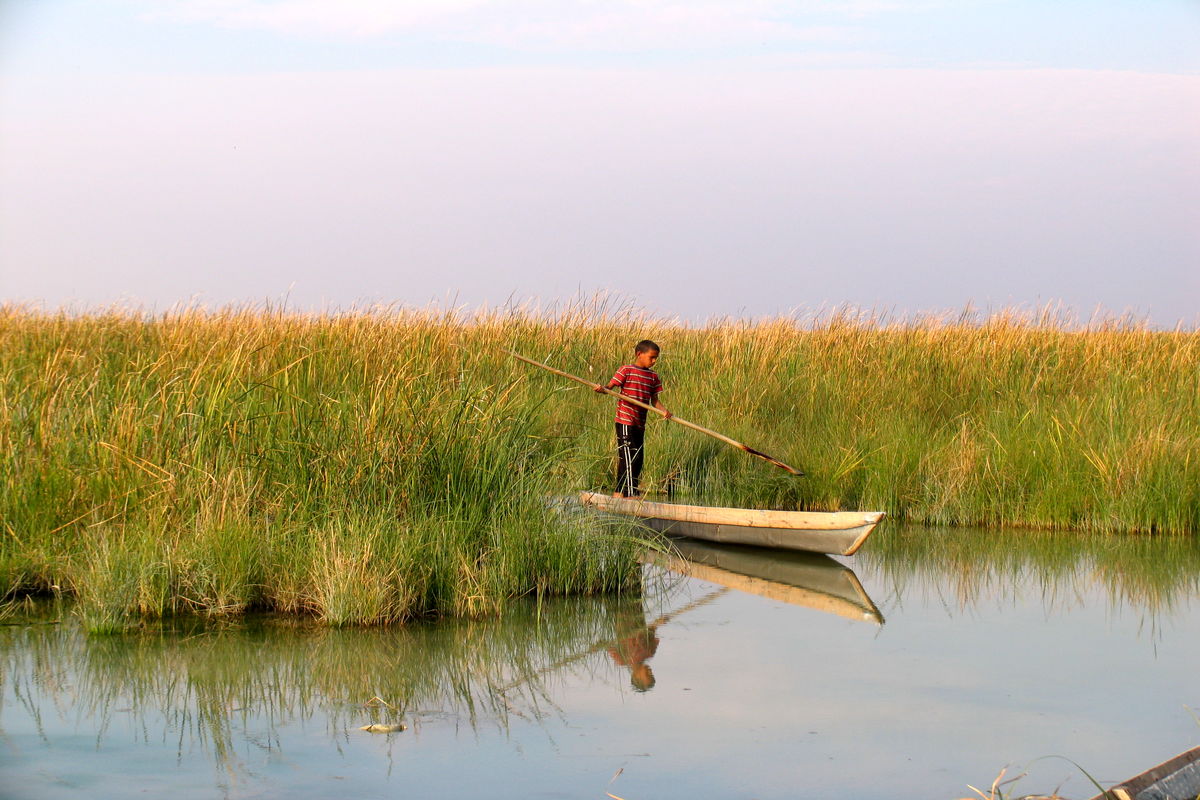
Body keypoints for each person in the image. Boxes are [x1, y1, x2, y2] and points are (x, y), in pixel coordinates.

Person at [595, 340, 671, 498]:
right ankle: (630, 494)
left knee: (637, 459)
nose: (654, 361)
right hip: (625, 421)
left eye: (656, 358)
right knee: (628, 458)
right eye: (652, 357)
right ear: (639, 354)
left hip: (639, 424)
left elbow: (654, 400)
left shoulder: (652, 376)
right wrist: (602, 389)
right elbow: (609, 388)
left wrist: (664, 412)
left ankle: (618, 494)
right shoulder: (626, 370)